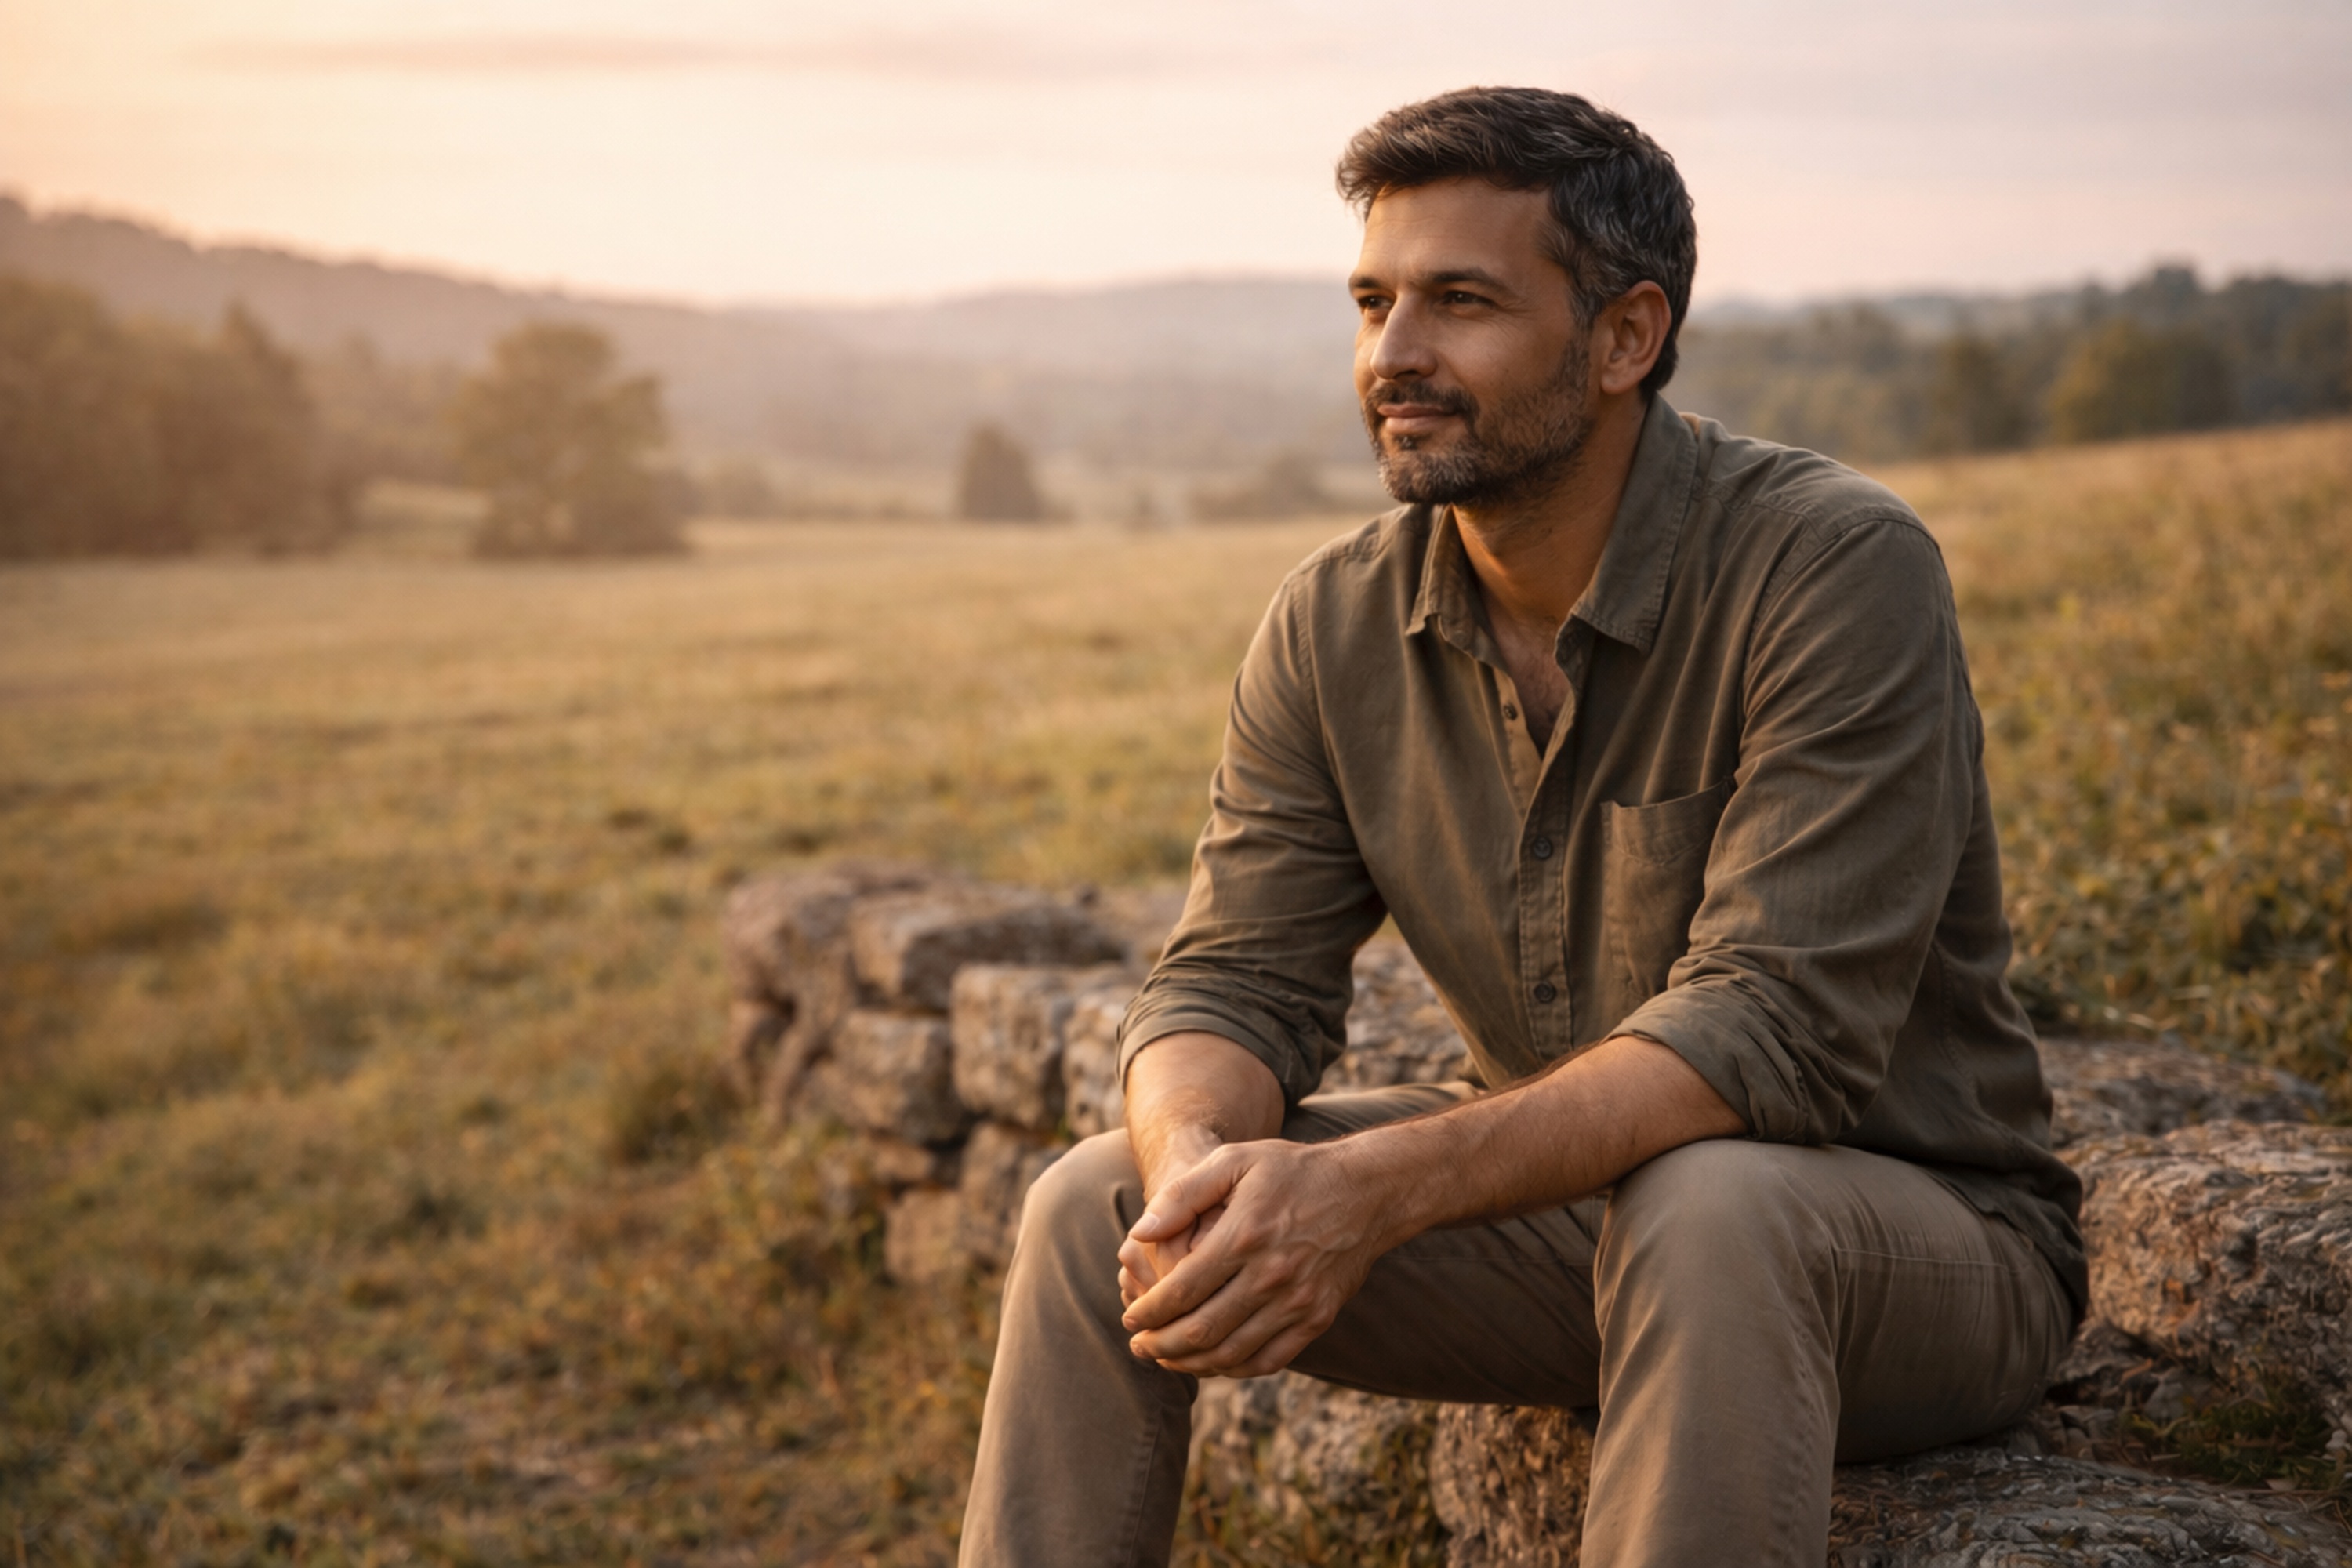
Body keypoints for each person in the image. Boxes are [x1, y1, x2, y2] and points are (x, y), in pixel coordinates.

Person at [959, 86, 2082, 1568]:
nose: (1393, 356)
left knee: (1716, 1203)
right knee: (1090, 1202)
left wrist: (1366, 1192)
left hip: (1908, 1249)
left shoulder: (1832, 567)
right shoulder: (1335, 619)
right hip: (1577, 1230)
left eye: (1462, 302)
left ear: (1625, 338)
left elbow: (1770, 1029)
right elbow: (1231, 980)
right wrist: (1199, 1182)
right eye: (1374, 303)